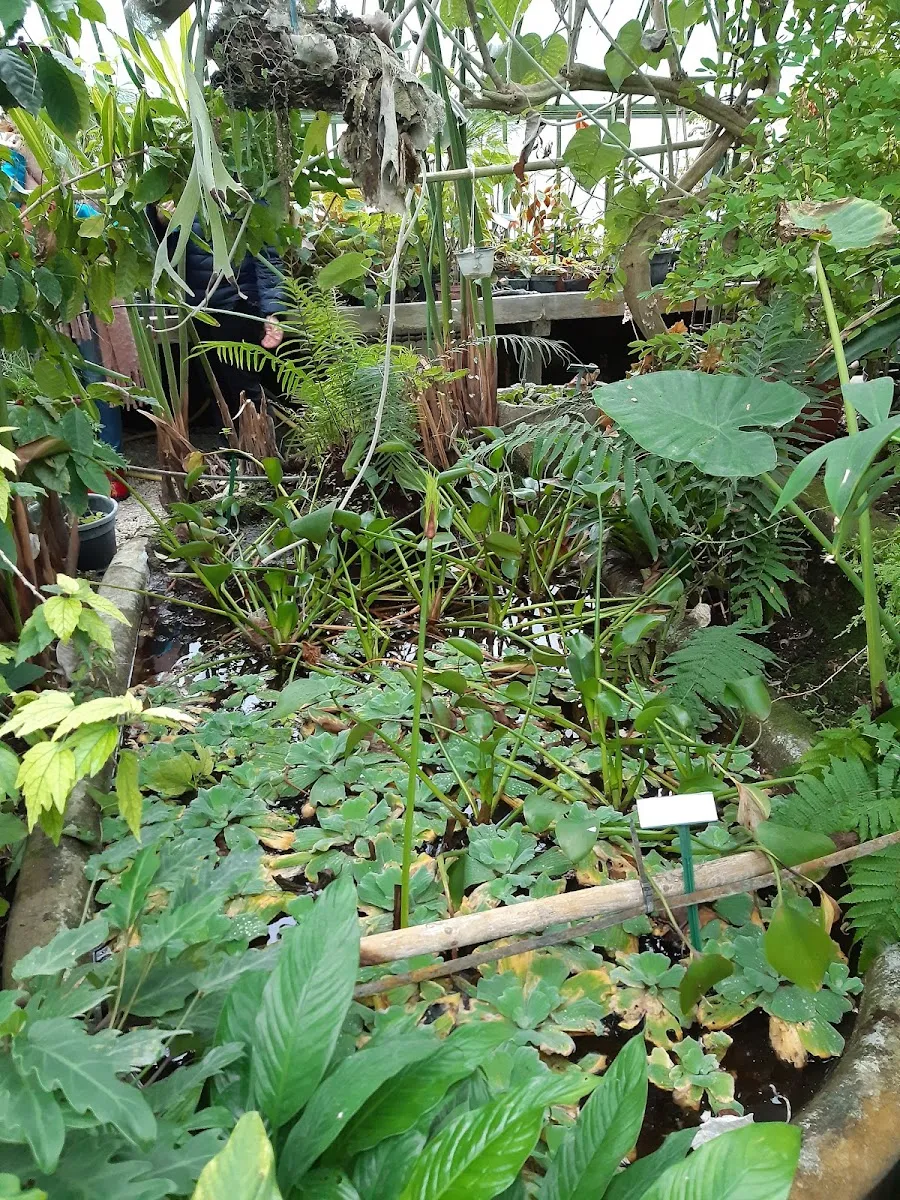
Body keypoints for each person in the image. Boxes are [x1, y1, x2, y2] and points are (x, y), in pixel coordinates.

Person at [147, 204, 285, 411]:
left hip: (237, 303)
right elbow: (155, 249)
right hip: (195, 307)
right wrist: (160, 222)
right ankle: (227, 442)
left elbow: (267, 254)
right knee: (214, 389)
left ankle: (260, 442)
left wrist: (271, 312)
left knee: (244, 388)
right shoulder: (173, 185)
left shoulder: (243, 187)